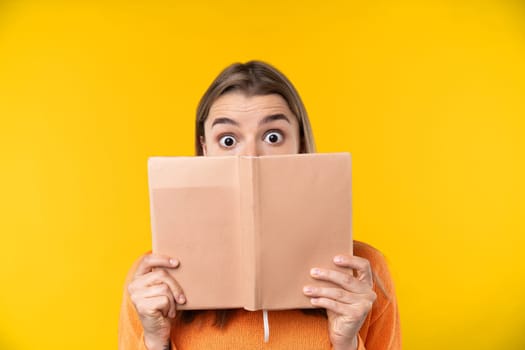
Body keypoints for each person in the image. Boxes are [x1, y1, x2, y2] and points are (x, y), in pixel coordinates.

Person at [118, 61, 401, 350]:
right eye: (228, 140)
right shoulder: (153, 281)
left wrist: (347, 344)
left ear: (300, 145)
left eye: (273, 137)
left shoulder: (363, 273)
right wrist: (154, 342)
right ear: (205, 150)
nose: (251, 157)